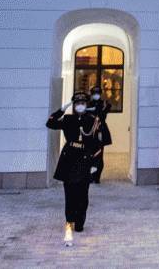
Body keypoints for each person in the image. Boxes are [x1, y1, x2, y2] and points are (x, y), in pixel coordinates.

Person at [46, 92, 102, 232]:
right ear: (74, 105)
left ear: (86, 105)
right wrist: (61, 109)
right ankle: (69, 221)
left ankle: (80, 221)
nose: (80, 106)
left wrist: (95, 164)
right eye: (77, 104)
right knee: (70, 194)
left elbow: (97, 144)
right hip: (69, 160)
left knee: (83, 195)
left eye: (82, 103)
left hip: (85, 160)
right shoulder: (68, 119)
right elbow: (50, 123)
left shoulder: (93, 120)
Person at [88, 85, 113, 184]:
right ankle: (90, 175)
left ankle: (97, 176)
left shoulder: (104, 104)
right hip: (90, 131)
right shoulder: (88, 104)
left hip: (101, 131)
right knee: (90, 155)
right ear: (91, 94)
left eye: (98, 93)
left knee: (99, 155)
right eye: (94, 93)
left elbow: (103, 115)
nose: (96, 95)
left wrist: (104, 108)